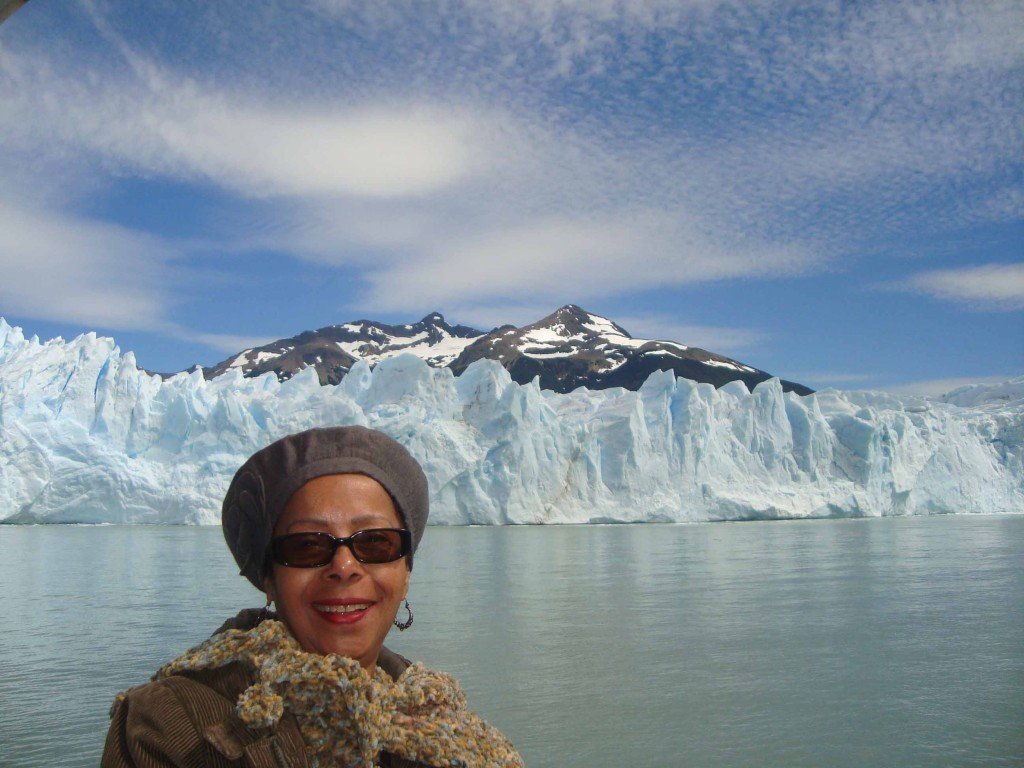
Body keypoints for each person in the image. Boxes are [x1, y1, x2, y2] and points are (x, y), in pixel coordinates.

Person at [102, 426, 523, 768]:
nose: (344, 566)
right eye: (307, 546)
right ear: (268, 577)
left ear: (406, 570)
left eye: (375, 543)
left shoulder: (444, 720)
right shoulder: (167, 723)